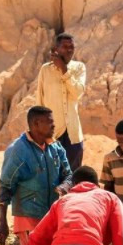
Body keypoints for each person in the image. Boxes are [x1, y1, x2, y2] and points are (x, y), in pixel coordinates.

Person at [0, 106, 72, 245]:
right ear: (36, 124)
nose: (54, 125)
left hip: (52, 216)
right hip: (28, 217)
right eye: (50, 122)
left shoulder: (55, 146)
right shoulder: (18, 151)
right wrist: (2, 223)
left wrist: (64, 187)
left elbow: (69, 175)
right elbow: (6, 186)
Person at [36, 32, 86, 171]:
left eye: (72, 46)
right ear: (56, 49)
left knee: (73, 176)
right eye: (65, 46)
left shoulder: (79, 68)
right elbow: (40, 101)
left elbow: (77, 93)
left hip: (73, 135)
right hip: (52, 134)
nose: (69, 49)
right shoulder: (45, 70)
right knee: (52, 176)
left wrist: (64, 70)